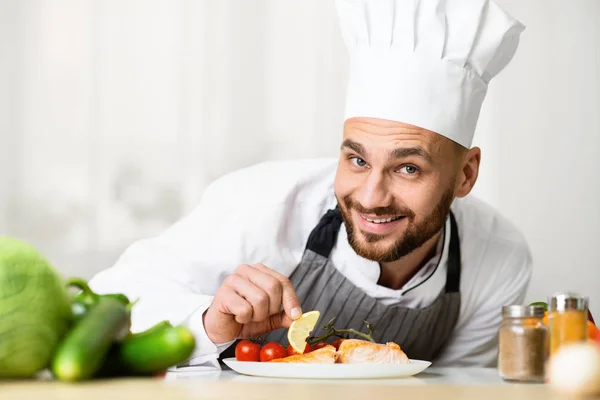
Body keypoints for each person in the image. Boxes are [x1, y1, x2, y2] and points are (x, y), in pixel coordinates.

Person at [89, 0, 532, 368]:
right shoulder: (261, 204)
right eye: (357, 159)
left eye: (408, 168)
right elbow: (111, 302)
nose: (371, 197)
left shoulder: (498, 258)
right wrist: (207, 324)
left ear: (465, 175)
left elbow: (456, 390)